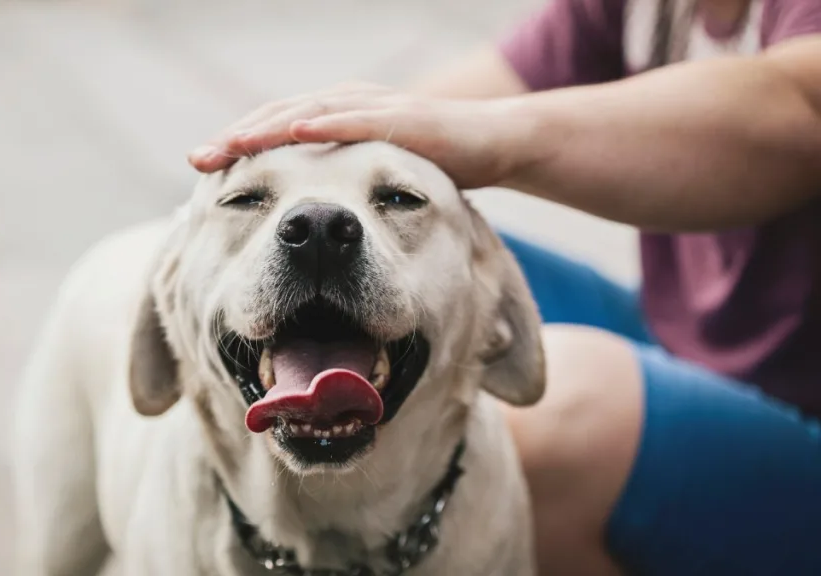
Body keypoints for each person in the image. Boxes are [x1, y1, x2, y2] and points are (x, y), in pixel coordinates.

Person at [186, 1, 821, 575]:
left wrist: (500, 139)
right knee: (435, 252)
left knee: (562, 412)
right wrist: (272, 200)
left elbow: (803, 104)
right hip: (682, 337)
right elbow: (415, 121)